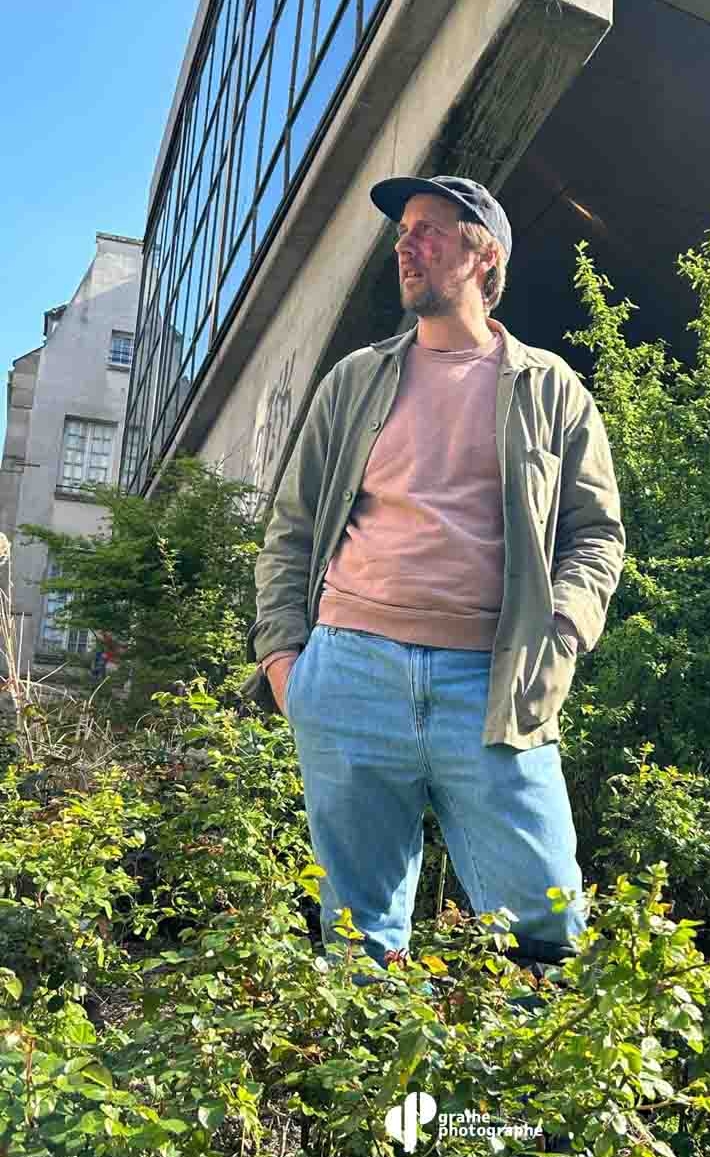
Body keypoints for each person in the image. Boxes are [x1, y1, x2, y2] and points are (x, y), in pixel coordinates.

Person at [242, 175, 625, 986]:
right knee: (358, 938)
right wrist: (285, 664)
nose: (405, 246)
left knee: (546, 928)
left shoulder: (551, 388)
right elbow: (293, 528)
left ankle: (523, 1074)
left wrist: (558, 640)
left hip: (491, 685)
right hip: (349, 673)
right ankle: (373, 1073)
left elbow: (595, 535)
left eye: (430, 230)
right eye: (403, 231)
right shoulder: (354, 380)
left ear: (484, 256)